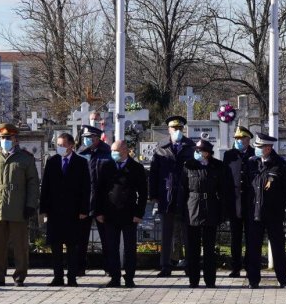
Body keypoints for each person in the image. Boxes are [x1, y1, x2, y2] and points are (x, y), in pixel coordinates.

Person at [0, 123, 39, 287]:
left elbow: (33, 183)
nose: (5, 140)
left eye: (8, 138)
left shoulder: (25, 158)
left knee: (20, 245)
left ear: (15, 138)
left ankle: (19, 276)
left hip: (18, 206)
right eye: (3, 138)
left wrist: (30, 205)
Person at [93, 140, 147, 288]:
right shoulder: (107, 167)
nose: (113, 154)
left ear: (125, 150)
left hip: (129, 214)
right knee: (111, 247)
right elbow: (99, 191)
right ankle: (114, 277)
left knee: (130, 248)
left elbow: (143, 193)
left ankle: (129, 277)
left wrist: (139, 213)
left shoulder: (136, 168)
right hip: (110, 213)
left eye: (116, 151)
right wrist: (98, 211)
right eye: (112, 151)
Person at [179, 138, 233, 288]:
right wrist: (181, 212)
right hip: (192, 208)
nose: (197, 153)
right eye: (196, 150)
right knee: (192, 248)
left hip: (210, 207)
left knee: (209, 248)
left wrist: (223, 213)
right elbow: (182, 190)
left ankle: (210, 280)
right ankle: (193, 279)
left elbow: (223, 191)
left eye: (200, 151)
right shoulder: (188, 166)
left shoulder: (218, 166)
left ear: (207, 153)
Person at [39, 132, 91, 286]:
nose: (60, 148)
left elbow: (85, 188)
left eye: (62, 145)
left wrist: (84, 210)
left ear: (71, 145)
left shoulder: (81, 162)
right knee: (56, 246)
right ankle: (58, 277)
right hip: (55, 212)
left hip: (73, 212)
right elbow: (46, 187)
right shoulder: (52, 161)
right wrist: (44, 209)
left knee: (72, 246)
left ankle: (72, 277)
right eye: (58, 145)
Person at [243, 132, 286, 289]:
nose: (257, 149)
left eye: (260, 147)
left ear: (268, 148)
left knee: (278, 247)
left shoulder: (280, 164)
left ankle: (283, 280)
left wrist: (276, 201)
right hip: (254, 212)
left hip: (273, 213)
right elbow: (246, 187)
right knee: (253, 248)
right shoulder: (251, 163)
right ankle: (253, 280)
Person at [149, 115, 195, 276]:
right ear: (168, 129)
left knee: (187, 232)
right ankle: (165, 266)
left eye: (179, 128)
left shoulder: (191, 147)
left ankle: (190, 265)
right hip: (166, 195)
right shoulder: (161, 147)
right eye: (174, 128)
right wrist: (153, 194)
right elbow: (154, 173)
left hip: (186, 195)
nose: (177, 131)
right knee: (166, 233)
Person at [76, 124, 113, 278]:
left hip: (102, 203)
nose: (86, 140)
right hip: (84, 203)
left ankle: (109, 267)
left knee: (107, 239)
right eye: (84, 138)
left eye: (89, 138)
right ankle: (79, 267)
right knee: (80, 239)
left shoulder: (107, 154)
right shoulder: (80, 154)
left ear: (97, 138)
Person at [222, 126, 256, 278]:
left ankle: (250, 267)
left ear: (248, 140)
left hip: (250, 202)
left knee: (251, 237)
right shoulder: (229, 155)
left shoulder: (255, 154)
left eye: (241, 138)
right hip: (234, 202)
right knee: (235, 238)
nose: (238, 141)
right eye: (236, 138)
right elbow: (226, 178)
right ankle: (235, 267)